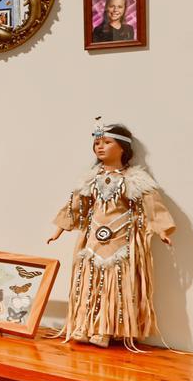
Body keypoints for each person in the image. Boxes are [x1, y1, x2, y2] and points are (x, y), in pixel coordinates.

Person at [47, 122, 175, 346]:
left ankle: (106, 330)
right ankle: (84, 326)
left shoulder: (135, 180)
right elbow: (75, 205)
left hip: (120, 240)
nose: (100, 147)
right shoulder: (90, 179)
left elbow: (152, 206)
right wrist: (60, 228)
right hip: (93, 238)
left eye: (107, 142)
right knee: (89, 281)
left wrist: (162, 230)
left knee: (115, 283)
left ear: (123, 148)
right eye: (97, 143)